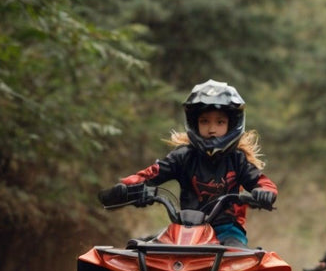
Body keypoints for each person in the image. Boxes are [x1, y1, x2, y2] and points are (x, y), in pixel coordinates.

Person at [98, 79, 278, 247]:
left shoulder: (237, 160)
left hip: (227, 230)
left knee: (242, 261)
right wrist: (127, 189)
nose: (212, 128)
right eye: (204, 121)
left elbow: (263, 183)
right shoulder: (183, 156)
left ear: (231, 125)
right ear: (194, 123)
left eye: (220, 122)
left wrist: (264, 193)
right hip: (184, 230)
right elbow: (150, 174)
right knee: (139, 252)